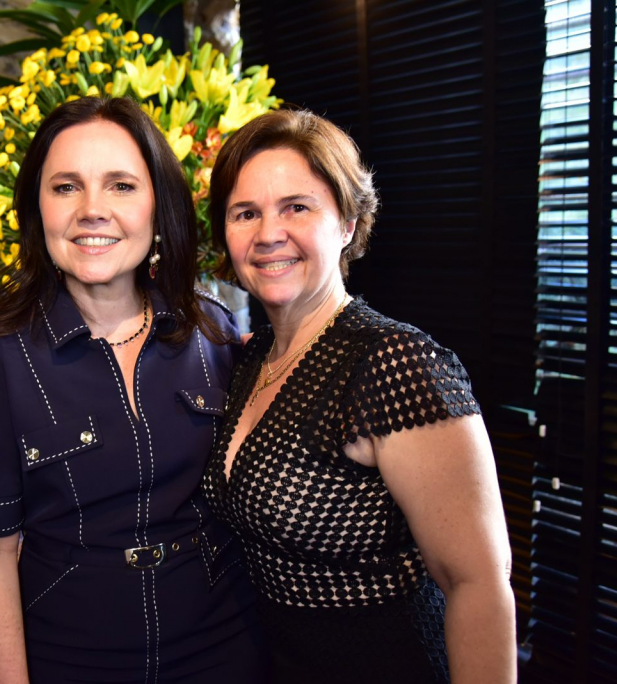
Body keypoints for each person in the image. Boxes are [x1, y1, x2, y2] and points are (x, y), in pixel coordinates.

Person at [0, 97, 266, 684]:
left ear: (158, 206)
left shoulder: (214, 333)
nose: (93, 210)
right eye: (66, 187)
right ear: (37, 208)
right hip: (70, 658)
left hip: (227, 649)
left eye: (120, 186)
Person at [202, 109, 517, 683]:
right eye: (246, 213)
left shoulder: (395, 363)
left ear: (347, 222)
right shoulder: (254, 357)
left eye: (297, 206)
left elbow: (479, 584)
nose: (269, 233)